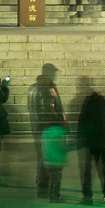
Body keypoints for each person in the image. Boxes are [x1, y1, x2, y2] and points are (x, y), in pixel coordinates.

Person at [28, 63, 66, 198]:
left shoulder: (32, 88)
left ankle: (42, 188)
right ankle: (47, 189)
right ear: (49, 73)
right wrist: (58, 124)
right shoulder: (47, 88)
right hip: (47, 128)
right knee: (50, 159)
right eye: (54, 73)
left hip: (36, 127)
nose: (55, 75)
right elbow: (47, 109)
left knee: (41, 157)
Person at [77, 77, 105, 204]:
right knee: (104, 168)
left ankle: (87, 196)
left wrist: (80, 138)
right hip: (101, 140)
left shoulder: (87, 103)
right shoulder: (102, 102)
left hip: (90, 140)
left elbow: (82, 121)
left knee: (87, 169)